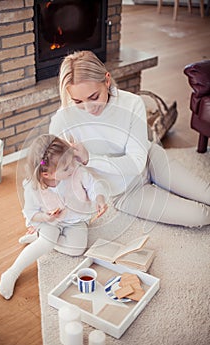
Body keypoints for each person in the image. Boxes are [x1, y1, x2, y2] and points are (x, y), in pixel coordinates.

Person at [49, 50, 210, 228]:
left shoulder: (132, 103)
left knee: (206, 194)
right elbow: (51, 170)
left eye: (94, 97)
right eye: (78, 101)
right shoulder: (62, 120)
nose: (89, 108)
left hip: (150, 161)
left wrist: (90, 159)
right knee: (200, 217)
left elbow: (137, 163)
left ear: (107, 80)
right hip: (125, 193)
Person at [0, 134, 107, 300]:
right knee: (47, 240)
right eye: (66, 168)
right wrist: (46, 218)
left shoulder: (76, 171)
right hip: (49, 222)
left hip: (74, 220)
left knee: (77, 249)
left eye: (72, 161)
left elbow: (93, 185)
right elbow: (31, 212)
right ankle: (12, 272)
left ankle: (41, 240)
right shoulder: (33, 187)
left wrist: (99, 198)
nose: (73, 168)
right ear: (47, 174)